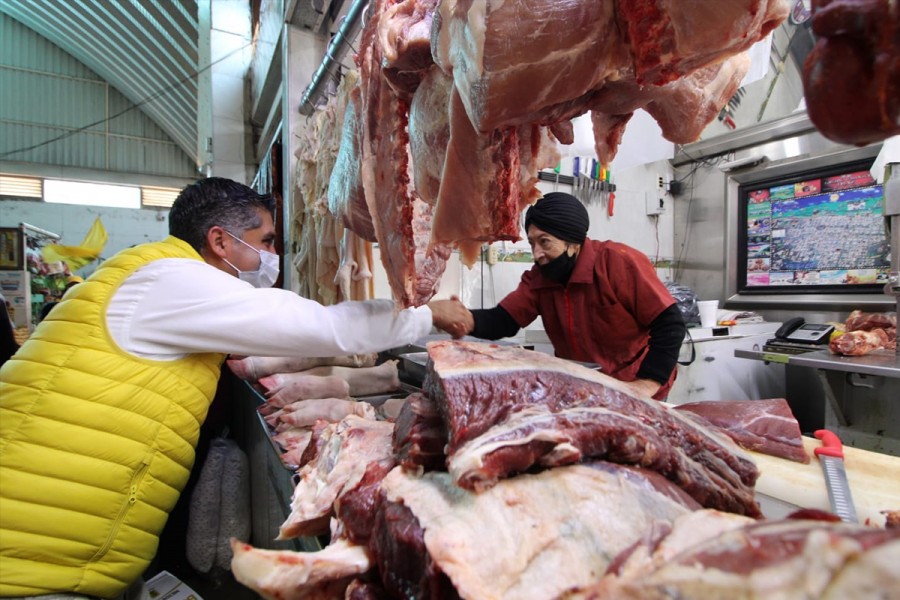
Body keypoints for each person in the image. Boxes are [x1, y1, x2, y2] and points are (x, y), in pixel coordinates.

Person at [0, 177, 470, 599]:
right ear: (220, 241)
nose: (272, 256)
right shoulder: (176, 281)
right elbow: (323, 329)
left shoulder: (151, 274)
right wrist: (425, 316)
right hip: (35, 550)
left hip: (46, 532)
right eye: (265, 241)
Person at [453, 192, 686, 400]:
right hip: (583, 388)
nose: (537, 254)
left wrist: (647, 383)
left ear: (574, 243)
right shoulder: (540, 278)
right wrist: (460, 318)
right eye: (532, 243)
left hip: (633, 386)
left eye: (545, 242)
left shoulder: (617, 262)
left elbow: (670, 324)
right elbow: (504, 320)